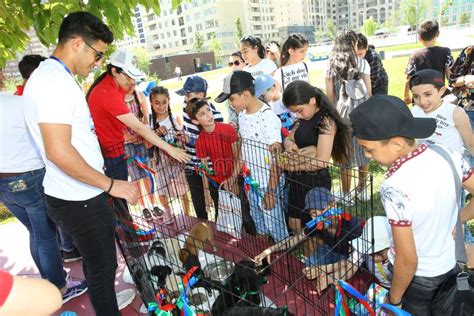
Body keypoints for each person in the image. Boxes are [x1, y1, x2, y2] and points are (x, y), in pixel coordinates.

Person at [23, 11, 138, 315]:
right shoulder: (53, 82)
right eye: (97, 54)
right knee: (102, 270)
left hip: (76, 194)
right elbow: (59, 152)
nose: (99, 62)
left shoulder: (52, 77)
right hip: (81, 198)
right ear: (77, 43)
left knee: (98, 264)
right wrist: (112, 185)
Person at [349, 95, 474, 314]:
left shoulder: (395, 185)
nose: (367, 156)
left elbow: (407, 260)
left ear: (396, 143)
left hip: (417, 280)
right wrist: (460, 217)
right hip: (448, 265)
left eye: (369, 149)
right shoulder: (447, 153)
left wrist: (395, 299)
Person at [0, 94, 87, 303]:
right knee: (46, 235)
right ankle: (59, 288)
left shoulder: (19, 103)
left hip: (4, 184)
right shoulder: (19, 103)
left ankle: (51, 281)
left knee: (36, 233)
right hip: (28, 176)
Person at [87, 49, 189, 184]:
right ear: (114, 71)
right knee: (118, 195)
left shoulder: (112, 86)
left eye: (132, 77)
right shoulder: (108, 93)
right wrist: (171, 150)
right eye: (127, 76)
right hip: (111, 154)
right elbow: (139, 128)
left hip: (116, 148)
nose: (131, 81)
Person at [216, 70, 288, 242]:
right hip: (252, 182)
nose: (230, 104)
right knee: (260, 224)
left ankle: (284, 261)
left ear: (246, 95)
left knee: (275, 226)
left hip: (268, 184)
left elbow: (277, 158)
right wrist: (234, 176)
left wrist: (271, 191)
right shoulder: (242, 115)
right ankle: (266, 256)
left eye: (232, 99)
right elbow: (245, 150)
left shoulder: (266, 117)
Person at [279, 81, 349, 232]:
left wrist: (293, 166)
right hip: (297, 180)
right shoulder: (303, 119)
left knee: (315, 229)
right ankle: (304, 255)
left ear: (312, 101)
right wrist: (289, 143)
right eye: (294, 112)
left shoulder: (326, 122)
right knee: (294, 223)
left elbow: (322, 162)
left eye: (299, 110)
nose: (297, 115)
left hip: (314, 182)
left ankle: (316, 254)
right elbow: (290, 137)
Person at [254, 187, 362, 269]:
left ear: (333, 205)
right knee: (310, 265)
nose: (320, 216)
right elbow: (294, 239)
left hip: (351, 258)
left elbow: (356, 259)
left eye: (322, 209)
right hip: (333, 251)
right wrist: (269, 250)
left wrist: (323, 270)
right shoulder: (316, 224)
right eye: (314, 212)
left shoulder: (350, 225)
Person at [325, 29, 371, 204]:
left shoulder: (330, 65)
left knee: (345, 155)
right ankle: (362, 189)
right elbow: (369, 91)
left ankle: (346, 194)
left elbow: (330, 96)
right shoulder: (362, 63)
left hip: (341, 117)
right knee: (364, 152)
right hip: (362, 115)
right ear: (353, 43)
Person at [175, 76, 224, 220]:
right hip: (191, 163)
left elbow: (211, 145)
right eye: (185, 95)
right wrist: (183, 138)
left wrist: (189, 139)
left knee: (215, 199)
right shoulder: (187, 108)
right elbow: (189, 130)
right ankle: (202, 224)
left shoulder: (214, 116)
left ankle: (219, 226)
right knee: (197, 198)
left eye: (189, 95)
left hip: (209, 166)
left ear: (201, 95)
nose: (185, 99)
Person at [304, 216, 392, 292]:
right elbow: (350, 266)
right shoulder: (364, 248)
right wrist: (329, 279)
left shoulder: (396, 259)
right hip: (376, 284)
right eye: (370, 253)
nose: (374, 258)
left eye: (379, 254)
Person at [188, 98, 240, 218]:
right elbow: (204, 169)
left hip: (235, 177)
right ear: (196, 121)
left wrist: (235, 180)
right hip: (217, 183)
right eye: (202, 114)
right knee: (221, 216)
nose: (208, 115)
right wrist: (206, 194)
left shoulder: (228, 129)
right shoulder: (200, 141)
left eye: (208, 110)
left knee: (242, 214)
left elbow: (238, 157)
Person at [150, 86, 190, 222]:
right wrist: (155, 134)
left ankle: (187, 214)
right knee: (161, 189)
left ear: (168, 102)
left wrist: (179, 141)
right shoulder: (149, 121)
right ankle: (168, 213)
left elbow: (182, 142)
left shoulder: (174, 118)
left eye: (164, 102)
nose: (161, 106)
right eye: (157, 103)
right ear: (151, 103)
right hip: (159, 160)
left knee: (182, 188)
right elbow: (146, 144)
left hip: (175, 161)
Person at [410, 69, 474, 155]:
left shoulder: (455, 113)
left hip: (452, 165)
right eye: (416, 96)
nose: (422, 101)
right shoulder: (414, 111)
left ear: (441, 91)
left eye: (428, 94)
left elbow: (471, 145)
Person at [404, 20, 454, 105]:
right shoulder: (446, 52)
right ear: (438, 34)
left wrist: (406, 96)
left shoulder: (415, 55)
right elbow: (451, 76)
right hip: (439, 97)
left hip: (421, 100)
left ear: (420, 38)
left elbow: (409, 80)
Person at [227, 51, 247, 129]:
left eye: (236, 63)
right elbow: (231, 108)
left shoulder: (251, 82)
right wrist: (233, 123)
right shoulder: (228, 83)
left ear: (245, 62)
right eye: (230, 64)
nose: (233, 66)